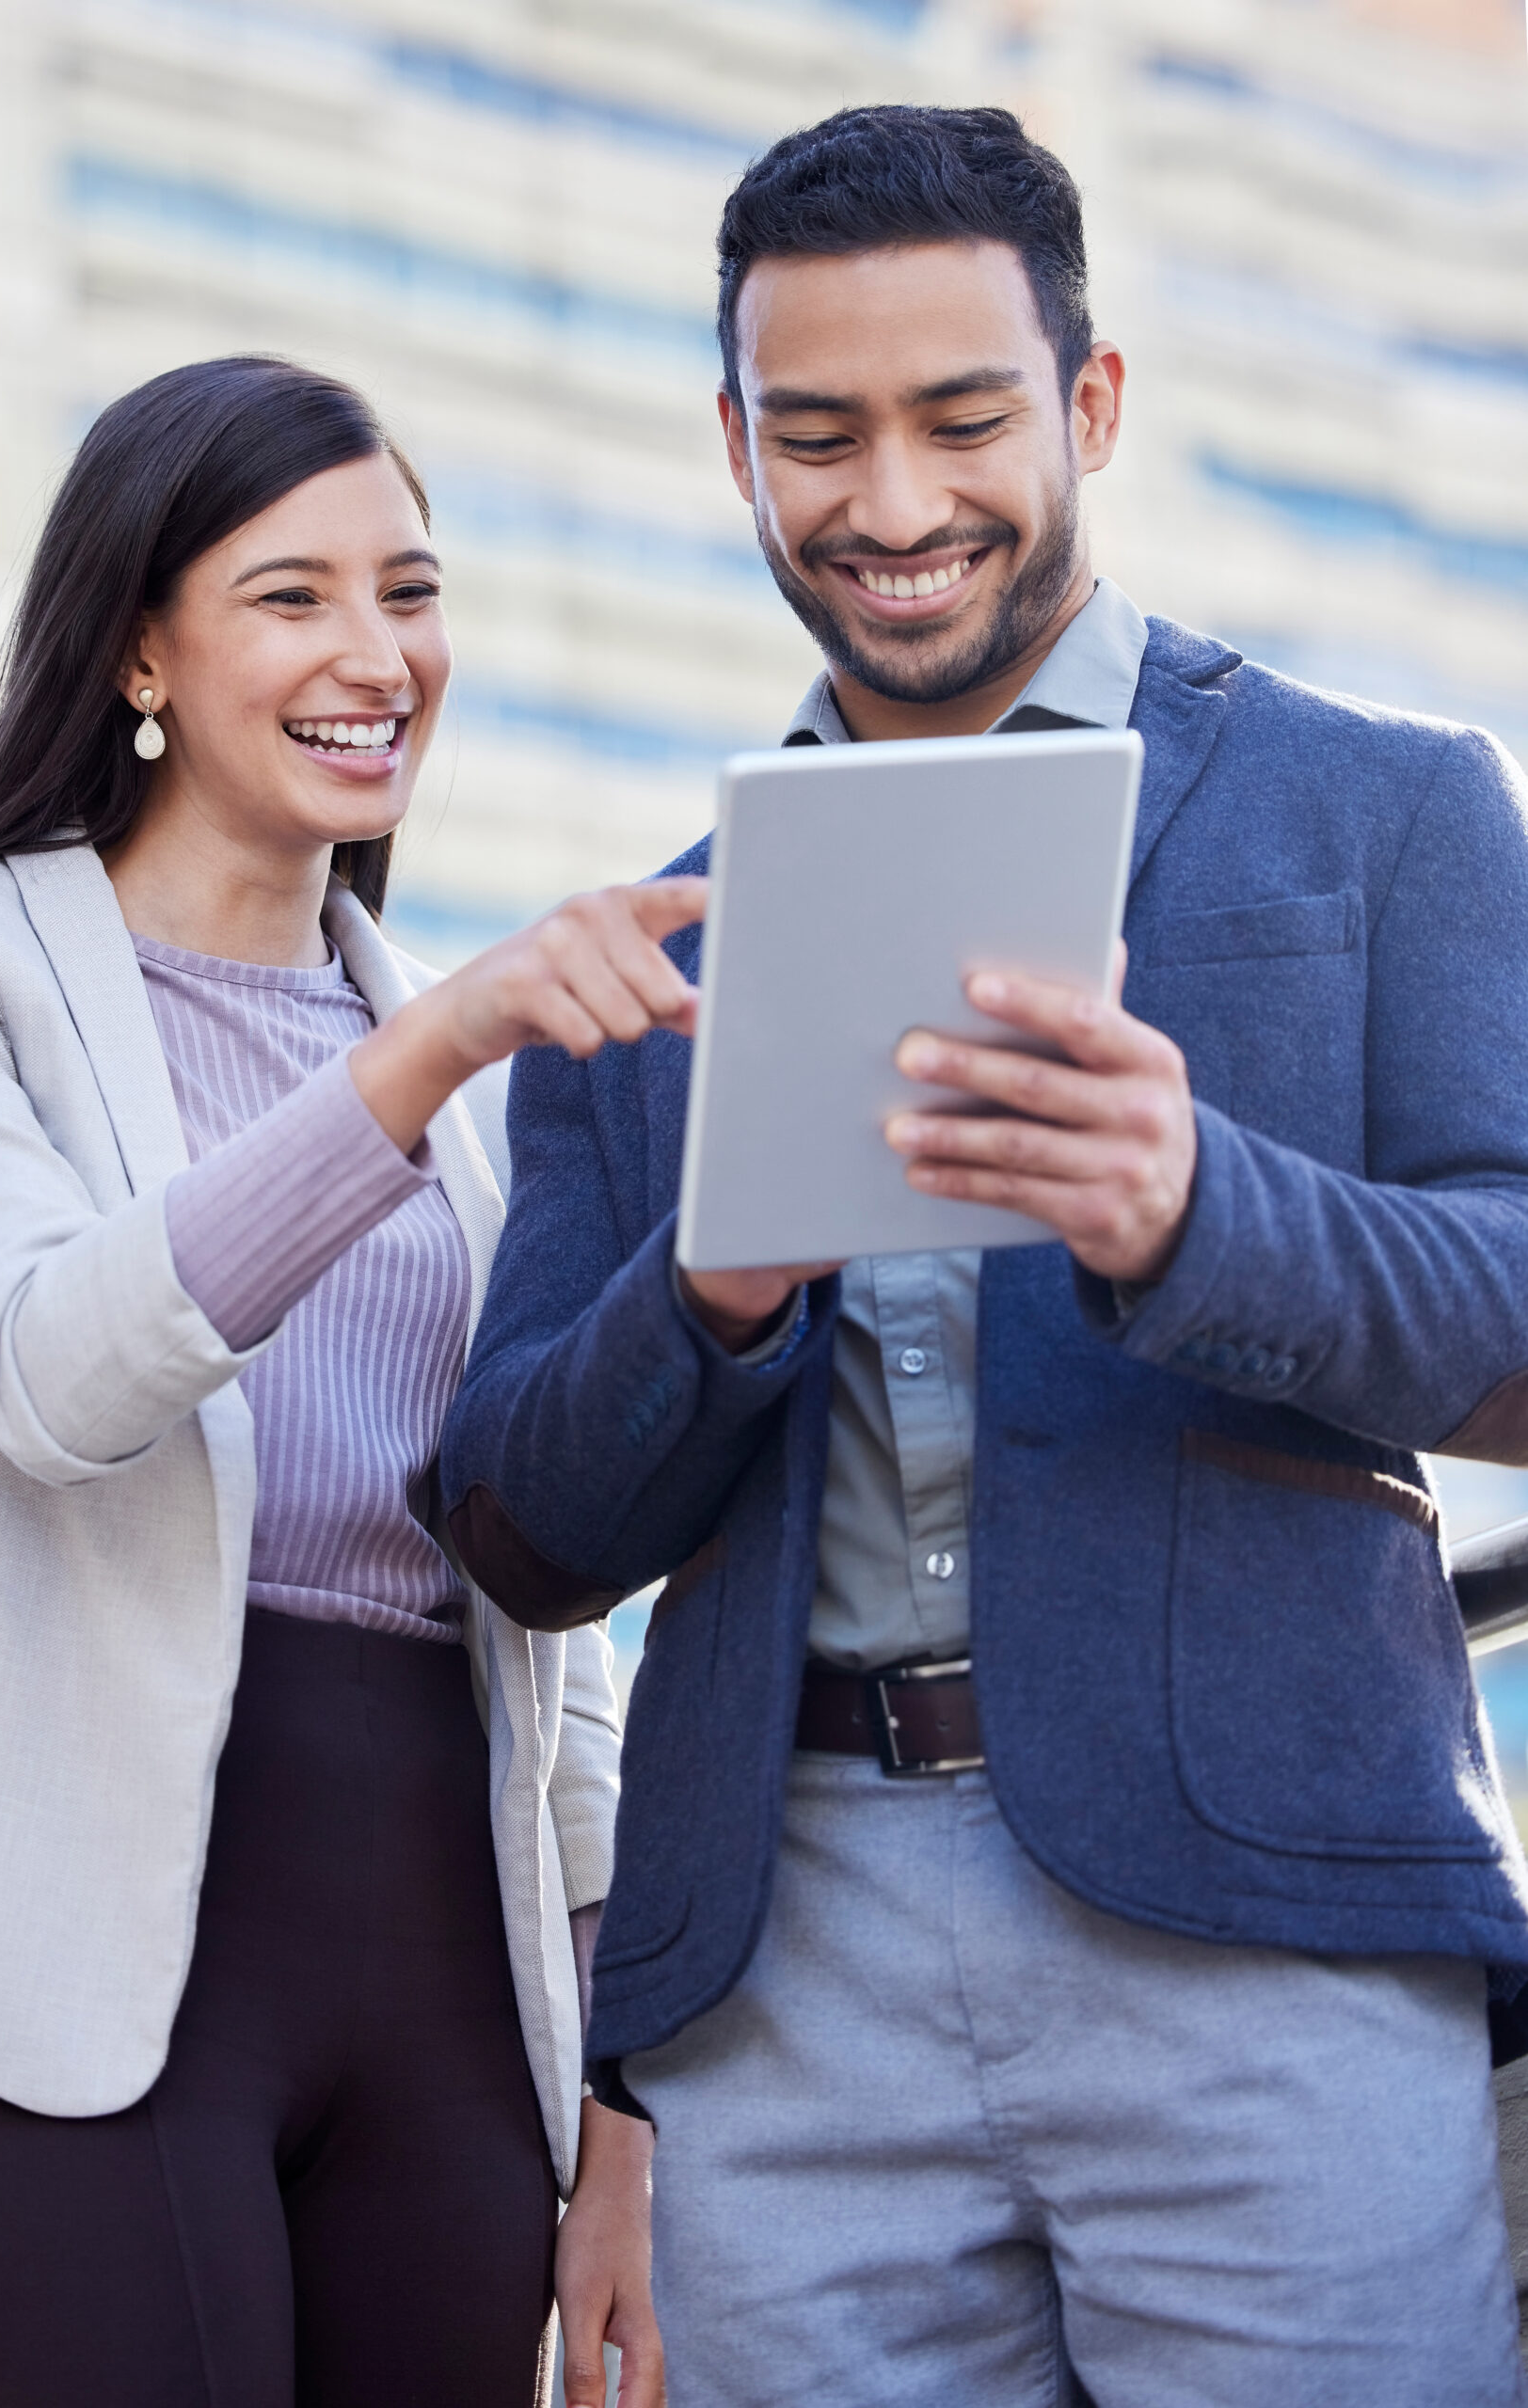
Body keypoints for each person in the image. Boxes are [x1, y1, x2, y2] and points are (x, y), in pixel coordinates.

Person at [441, 105, 1528, 2407]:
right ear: (734, 443)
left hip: (1263, 1934)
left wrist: (1192, 1208)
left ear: (1093, 404)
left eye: (963, 418)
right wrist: (706, 1292)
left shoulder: (1390, 805)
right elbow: (521, 1526)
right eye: (817, 434)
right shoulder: (649, 961)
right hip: (782, 1990)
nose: (895, 505)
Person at [0, 355, 695, 2407]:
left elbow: (554, 1653)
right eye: (292, 597)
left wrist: (624, 2108)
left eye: (410, 588)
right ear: (138, 650)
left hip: (452, 1998)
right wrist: (424, 1055)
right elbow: (45, 1365)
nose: (376, 653)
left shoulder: (456, 1113)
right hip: (63, 1976)